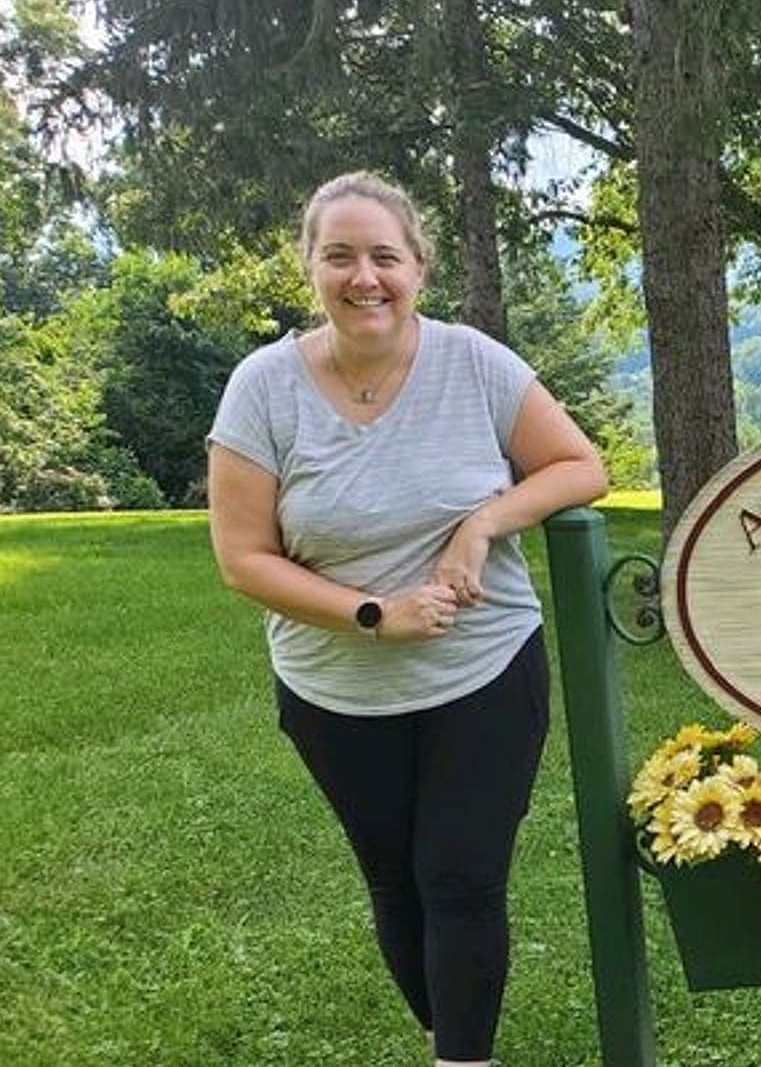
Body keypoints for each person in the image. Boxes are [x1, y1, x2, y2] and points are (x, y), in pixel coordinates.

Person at [206, 171, 608, 1066]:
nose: (365, 277)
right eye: (339, 255)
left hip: (485, 668)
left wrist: (484, 522)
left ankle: (462, 1059)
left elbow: (581, 467)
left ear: (418, 266)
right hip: (334, 687)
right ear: (309, 268)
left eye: (384, 256)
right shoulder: (262, 388)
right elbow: (243, 557)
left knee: (461, 880)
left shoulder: (474, 362)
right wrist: (372, 614)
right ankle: (447, 1033)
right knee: (396, 884)